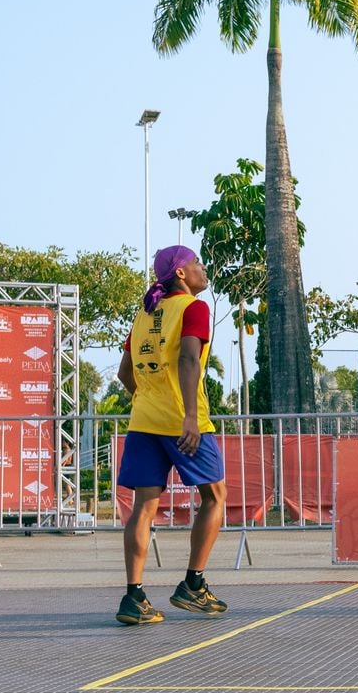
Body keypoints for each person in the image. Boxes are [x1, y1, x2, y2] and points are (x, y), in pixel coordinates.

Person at [115, 246, 228, 625]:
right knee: (215, 496)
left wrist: (147, 400)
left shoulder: (145, 312)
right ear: (181, 273)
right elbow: (188, 359)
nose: (202, 268)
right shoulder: (193, 308)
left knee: (143, 507)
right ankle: (193, 586)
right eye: (196, 262)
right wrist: (190, 418)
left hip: (144, 421)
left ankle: (134, 598)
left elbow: (123, 373)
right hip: (182, 422)